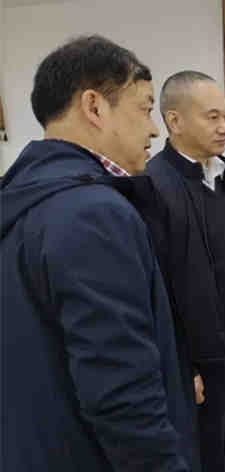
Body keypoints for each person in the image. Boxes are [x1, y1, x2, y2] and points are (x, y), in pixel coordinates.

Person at [1, 35, 196, 471]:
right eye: (145, 109)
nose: (154, 129)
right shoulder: (91, 213)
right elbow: (121, 393)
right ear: (94, 106)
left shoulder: (24, 199)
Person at [146, 70, 225, 472]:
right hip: (204, 351)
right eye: (212, 117)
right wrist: (183, 366)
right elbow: (159, 288)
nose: (224, 128)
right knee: (212, 450)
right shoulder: (156, 185)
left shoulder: (224, 172)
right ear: (175, 120)